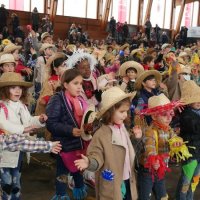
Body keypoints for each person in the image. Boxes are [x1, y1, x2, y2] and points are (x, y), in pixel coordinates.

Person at [74, 87, 140, 200]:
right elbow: (96, 155)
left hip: (128, 178)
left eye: (127, 111)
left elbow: (127, 150)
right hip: (112, 181)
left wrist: (136, 139)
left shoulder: (123, 128)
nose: (125, 115)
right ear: (109, 112)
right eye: (121, 112)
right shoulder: (101, 134)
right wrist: (89, 162)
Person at [0, 72, 54, 200]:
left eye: (20, 88)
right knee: (6, 183)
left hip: (18, 152)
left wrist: (39, 120)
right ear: (4, 90)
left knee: (16, 181)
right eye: (13, 87)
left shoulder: (22, 106)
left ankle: (16, 197)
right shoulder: (2, 106)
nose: (17, 91)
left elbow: (28, 120)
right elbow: (3, 124)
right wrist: (23, 129)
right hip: (4, 154)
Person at [46, 69, 88, 200]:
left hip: (79, 144)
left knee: (77, 171)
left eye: (81, 83)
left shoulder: (81, 100)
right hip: (64, 145)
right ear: (65, 85)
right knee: (62, 174)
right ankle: (61, 195)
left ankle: (80, 193)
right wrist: (70, 130)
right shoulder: (57, 99)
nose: (79, 86)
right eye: (75, 83)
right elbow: (51, 124)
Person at [138, 94, 182, 200]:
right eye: (164, 114)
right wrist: (153, 158)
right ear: (154, 116)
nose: (169, 118)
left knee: (162, 196)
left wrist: (177, 142)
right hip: (147, 171)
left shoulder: (168, 129)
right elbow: (149, 146)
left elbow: (175, 138)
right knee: (145, 196)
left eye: (171, 114)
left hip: (160, 170)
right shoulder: (149, 131)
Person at [176, 80, 200, 199]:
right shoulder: (186, 115)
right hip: (190, 153)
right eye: (194, 99)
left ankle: (188, 197)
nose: (198, 102)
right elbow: (195, 128)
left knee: (195, 179)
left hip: (198, 152)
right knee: (186, 180)